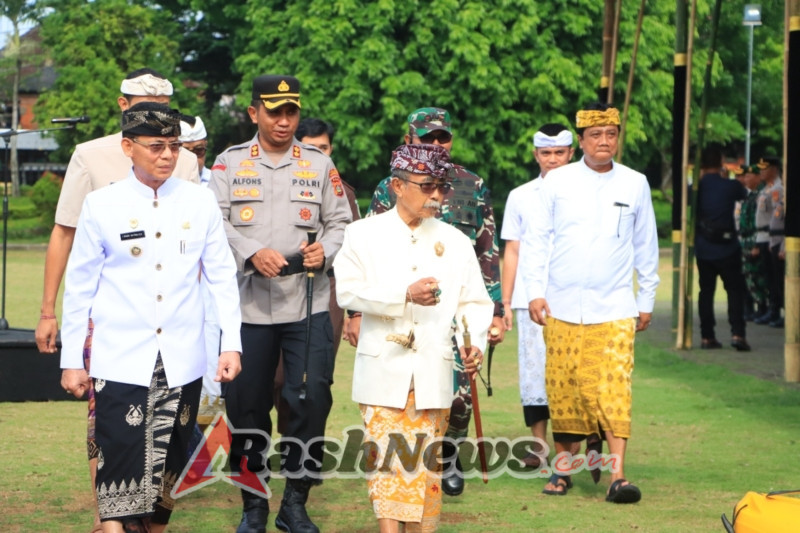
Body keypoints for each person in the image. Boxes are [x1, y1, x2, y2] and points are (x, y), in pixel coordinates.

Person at [59, 102, 242, 533]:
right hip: (119, 357)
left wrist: (230, 343)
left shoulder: (199, 201)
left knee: (168, 472)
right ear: (128, 146)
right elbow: (80, 287)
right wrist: (71, 359)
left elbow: (221, 276)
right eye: (156, 145)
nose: (167, 155)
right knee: (118, 464)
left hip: (183, 358)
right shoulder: (102, 205)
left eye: (174, 146)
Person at [35, 68, 200, 532]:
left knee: (169, 426)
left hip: (171, 316)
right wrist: (50, 311)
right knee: (105, 416)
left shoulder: (180, 157)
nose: (159, 115)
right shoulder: (90, 154)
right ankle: (109, 514)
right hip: (108, 314)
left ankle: (144, 515)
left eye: (166, 106)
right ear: (122, 104)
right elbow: (64, 231)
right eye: (146, 103)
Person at [209, 75, 352, 533]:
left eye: (291, 111)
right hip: (247, 307)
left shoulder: (318, 165)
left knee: (310, 401)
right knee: (247, 407)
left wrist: (324, 251)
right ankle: (253, 506)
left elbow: (341, 223)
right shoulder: (228, 164)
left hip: (306, 305)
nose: (284, 121)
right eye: (275, 112)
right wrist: (250, 250)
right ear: (254, 113)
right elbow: (214, 223)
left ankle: (295, 503)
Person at [333, 143, 493, 533]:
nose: (436, 196)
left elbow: (474, 300)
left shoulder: (455, 239)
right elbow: (347, 292)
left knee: (425, 469)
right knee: (388, 465)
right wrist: (402, 294)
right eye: (427, 186)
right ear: (398, 186)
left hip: (432, 372)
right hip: (382, 371)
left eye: (441, 187)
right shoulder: (361, 234)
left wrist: (473, 344)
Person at [523, 102, 660, 503]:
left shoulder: (635, 182)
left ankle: (618, 476)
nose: (604, 141)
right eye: (595, 135)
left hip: (616, 306)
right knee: (564, 388)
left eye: (611, 134)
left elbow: (645, 244)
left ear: (618, 138)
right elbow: (537, 240)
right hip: (562, 306)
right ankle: (563, 472)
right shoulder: (558, 181)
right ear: (580, 141)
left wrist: (646, 297)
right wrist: (535, 290)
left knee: (614, 389)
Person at [364, 107, 505, 497]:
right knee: (410, 392)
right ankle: (417, 462)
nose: (436, 144)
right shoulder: (389, 187)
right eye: (427, 139)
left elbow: (487, 249)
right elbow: (373, 247)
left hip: (457, 306)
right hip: (404, 307)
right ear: (410, 140)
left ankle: (449, 452)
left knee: (459, 397)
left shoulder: (471, 184)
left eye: (442, 137)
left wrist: (496, 312)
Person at [500, 123, 574, 470]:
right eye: (546, 153)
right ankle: (538, 444)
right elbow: (512, 250)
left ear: (571, 153)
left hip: (572, 295)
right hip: (530, 296)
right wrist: (506, 301)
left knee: (573, 369)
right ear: (536, 155)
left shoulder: (584, 194)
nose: (553, 160)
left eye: (560, 153)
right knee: (534, 372)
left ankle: (572, 446)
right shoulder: (521, 195)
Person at [179, 115, 225, 430]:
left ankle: (191, 466)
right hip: (168, 297)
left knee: (211, 383)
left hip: (211, 297)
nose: (196, 160)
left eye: (201, 151)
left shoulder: (218, 184)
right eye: (188, 151)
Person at [694, 145, 750, 351]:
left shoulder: (697, 188)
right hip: (728, 248)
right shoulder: (730, 185)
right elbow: (743, 193)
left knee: (706, 292)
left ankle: (707, 336)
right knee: (735, 291)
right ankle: (738, 334)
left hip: (704, 248)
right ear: (721, 162)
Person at [754, 156, 785, 328]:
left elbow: (778, 217)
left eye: (765, 168)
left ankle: (776, 310)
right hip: (763, 237)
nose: (762, 171)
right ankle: (772, 309)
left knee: (776, 277)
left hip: (772, 237)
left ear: (774, 169)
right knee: (768, 277)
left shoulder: (778, 189)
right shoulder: (766, 189)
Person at [736, 164, 768, 322]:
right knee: (748, 276)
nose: (746, 179)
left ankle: (764, 308)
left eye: (749, 176)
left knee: (758, 276)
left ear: (757, 177)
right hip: (745, 240)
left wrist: (755, 243)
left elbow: (759, 222)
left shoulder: (761, 194)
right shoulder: (752, 195)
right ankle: (751, 308)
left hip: (755, 239)